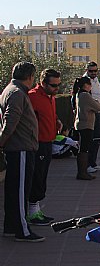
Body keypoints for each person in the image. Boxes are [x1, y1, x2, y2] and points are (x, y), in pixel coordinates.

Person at [0, 62, 43, 242]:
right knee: (19, 192)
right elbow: (10, 123)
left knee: (13, 190)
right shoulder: (17, 93)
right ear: (30, 76)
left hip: (19, 147)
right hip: (21, 148)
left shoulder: (11, 90)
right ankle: (22, 230)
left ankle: (11, 226)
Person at [27, 68, 62, 226]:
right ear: (42, 83)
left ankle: (36, 209)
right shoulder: (33, 96)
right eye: (53, 85)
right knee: (37, 177)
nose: (57, 89)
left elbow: (48, 113)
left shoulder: (51, 96)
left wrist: (56, 121)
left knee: (42, 177)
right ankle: (32, 212)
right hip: (37, 142)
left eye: (58, 85)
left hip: (48, 141)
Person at [74, 76, 100, 180]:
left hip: (82, 123)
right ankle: (82, 172)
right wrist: (96, 101)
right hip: (86, 124)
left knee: (83, 148)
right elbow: (97, 107)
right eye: (90, 84)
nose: (91, 87)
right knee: (84, 149)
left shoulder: (79, 94)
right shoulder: (85, 95)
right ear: (86, 85)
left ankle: (82, 171)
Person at [84, 62, 100, 174]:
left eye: (95, 71)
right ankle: (87, 165)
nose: (93, 73)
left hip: (97, 112)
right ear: (87, 70)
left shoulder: (96, 81)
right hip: (90, 113)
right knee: (89, 140)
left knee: (96, 139)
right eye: (91, 71)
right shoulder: (84, 81)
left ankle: (93, 162)